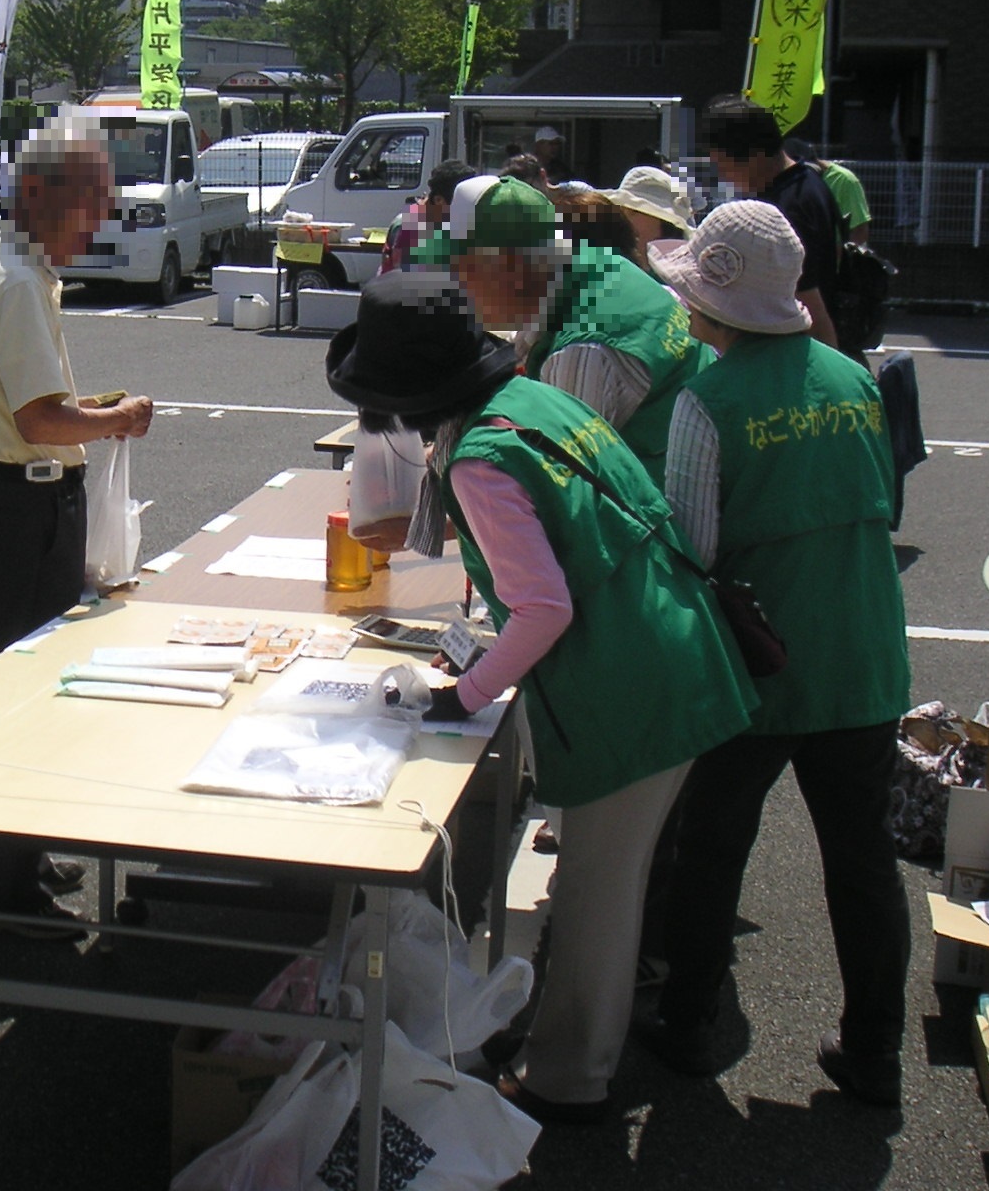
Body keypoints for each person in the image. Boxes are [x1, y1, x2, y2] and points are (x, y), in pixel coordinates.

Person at [324, 270, 755, 1124]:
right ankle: (568, 1041)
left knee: (598, 888)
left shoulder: (481, 458)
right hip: (672, 642)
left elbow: (545, 606)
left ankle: (570, 1075)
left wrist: (465, 694)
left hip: (632, 678)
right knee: (613, 878)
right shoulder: (533, 399)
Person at [641, 201, 913, 1107]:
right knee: (863, 859)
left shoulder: (707, 401)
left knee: (711, 846)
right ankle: (875, 1052)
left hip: (754, 660)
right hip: (864, 647)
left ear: (712, 303)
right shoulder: (851, 378)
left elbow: (691, 548)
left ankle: (688, 1022)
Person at [0, 110, 153, 935]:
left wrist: (86, 410)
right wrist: (115, 416)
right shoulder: (20, 281)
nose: (95, 223)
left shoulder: (0, 262)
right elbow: (39, 420)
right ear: (38, 194)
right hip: (15, 507)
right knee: (14, 705)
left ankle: (19, 860)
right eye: (87, 204)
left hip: (8, 501)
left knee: (29, 696)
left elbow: (32, 406)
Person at [415, 175, 708, 489]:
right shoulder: (596, 269)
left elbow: (558, 492)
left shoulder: (583, 348)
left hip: (662, 526)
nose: (457, 288)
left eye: (463, 271)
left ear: (510, 268)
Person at [702, 97, 842, 348]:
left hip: (797, 353)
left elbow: (810, 305)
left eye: (723, 166)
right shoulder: (810, 182)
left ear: (755, 157)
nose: (723, 176)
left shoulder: (782, 212)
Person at [378, 160, 471, 274]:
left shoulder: (447, 223)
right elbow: (403, 280)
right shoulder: (409, 225)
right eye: (460, 204)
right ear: (439, 200)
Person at [602, 164, 696, 266]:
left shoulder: (677, 279)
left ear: (665, 221)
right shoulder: (608, 265)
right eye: (620, 210)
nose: (623, 217)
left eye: (635, 211)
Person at [783, 136, 871, 244]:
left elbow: (859, 231)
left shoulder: (844, 180)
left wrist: (840, 257)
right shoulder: (786, 183)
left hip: (839, 253)